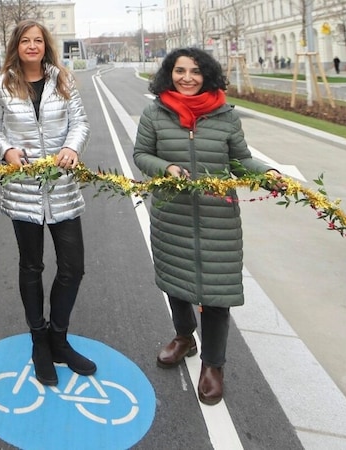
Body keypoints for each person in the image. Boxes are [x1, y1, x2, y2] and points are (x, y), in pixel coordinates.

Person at [133, 47, 283, 405]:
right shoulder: (155, 112)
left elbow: (240, 160)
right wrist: (165, 169)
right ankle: (184, 338)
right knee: (177, 284)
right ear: (169, 73)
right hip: (173, 215)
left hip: (218, 218)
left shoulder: (225, 115)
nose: (187, 77)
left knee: (217, 295)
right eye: (179, 70)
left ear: (208, 75)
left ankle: (214, 365)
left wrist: (268, 174)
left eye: (195, 71)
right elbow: (141, 154)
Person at [0, 19, 95, 387]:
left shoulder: (63, 80)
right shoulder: (0, 85)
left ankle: (58, 338)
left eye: (38, 41)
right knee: (31, 266)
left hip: (62, 187)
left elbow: (80, 122)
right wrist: (7, 150)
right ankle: (38, 340)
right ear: (16, 46)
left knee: (73, 267)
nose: (32, 46)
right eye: (25, 41)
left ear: (46, 45)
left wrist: (70, 147)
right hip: (23, 190)